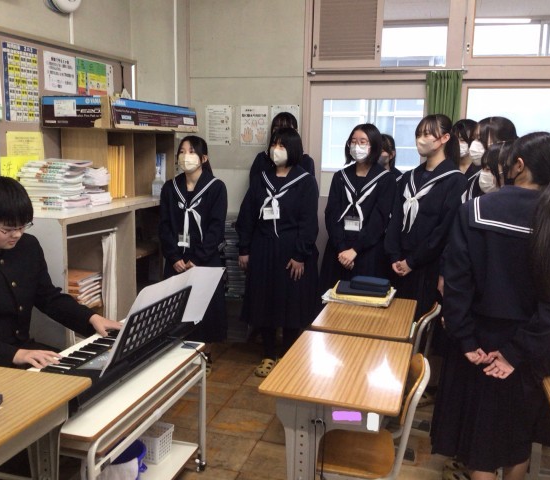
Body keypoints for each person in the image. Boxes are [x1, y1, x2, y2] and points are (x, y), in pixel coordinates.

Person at [431, 132, 550, 480]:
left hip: (479, 343)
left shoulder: (475, 210)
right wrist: (514, 354)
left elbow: (456, 286)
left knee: (480, 444)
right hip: (530, 350)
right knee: (517, 440)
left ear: (518, 165)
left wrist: (466, 340)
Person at [0, 176, 121, 373]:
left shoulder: (28, 246)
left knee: (95, 372)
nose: (17, 234)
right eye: (8, 229)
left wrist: (90, 318)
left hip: (25, 352)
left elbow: (48, 298)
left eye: (22, 226)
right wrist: (16, 355)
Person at [236, 127, 318, 377]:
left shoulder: (305, 181)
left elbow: (308, 222)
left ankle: (288, 352)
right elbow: (247, 216)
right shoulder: (262, 179)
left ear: (293, 149)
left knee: (290, 301)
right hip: (263, 248)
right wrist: (244, 248)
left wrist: (300, 255)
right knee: (265, 301)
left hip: (291, 251)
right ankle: (268, 354)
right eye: (274, 144)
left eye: (282, 145)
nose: (276, 150)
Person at [384, 114, 466, 320]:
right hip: (398, 263)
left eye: (427, 134)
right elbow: (395, 219)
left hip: (427, 266)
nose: (420, 140)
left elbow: (443, 231)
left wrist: (412, 262)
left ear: (445, 138)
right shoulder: (408, 177)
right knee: (393, 320)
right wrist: (394, 256)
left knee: (417, 320)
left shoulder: (454, 180)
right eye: (418, 134)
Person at [158, 135, 227, 375]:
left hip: (204, 261)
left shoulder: (216, 187)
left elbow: (216, 229)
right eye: (182, 151)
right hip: (176, 261)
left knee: (205, 311)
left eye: (191, 151)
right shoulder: (170, 188)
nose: (185, 156)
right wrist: (174, 257)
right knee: (176, 310)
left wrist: (196, 259)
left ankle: (204, 357)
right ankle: (178, 359)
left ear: (203, 158)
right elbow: (164, 226)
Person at [319, 124, 395, 294]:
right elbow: (331, 214)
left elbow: (379, 220)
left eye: (362, 141)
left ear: (374, 145)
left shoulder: (386, 179)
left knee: (363, 301)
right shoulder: (340, 177)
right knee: (333, 300)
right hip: (338, 251)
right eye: (353, 141)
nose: (356, 146)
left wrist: (355, 250)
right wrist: (342, 249)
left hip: (368, 253)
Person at [462, 117, 518, 203]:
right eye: (474, 139)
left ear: (501, 142)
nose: (474, 144)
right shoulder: (476, 173)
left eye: (480, 139)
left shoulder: (515, 182)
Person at [249, 112, 315, 179]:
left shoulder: (306, 161)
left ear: (295, 132)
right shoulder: (262, 158)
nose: (281, 134)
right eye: (277, 129)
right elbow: (254, 183)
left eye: (287, 129)